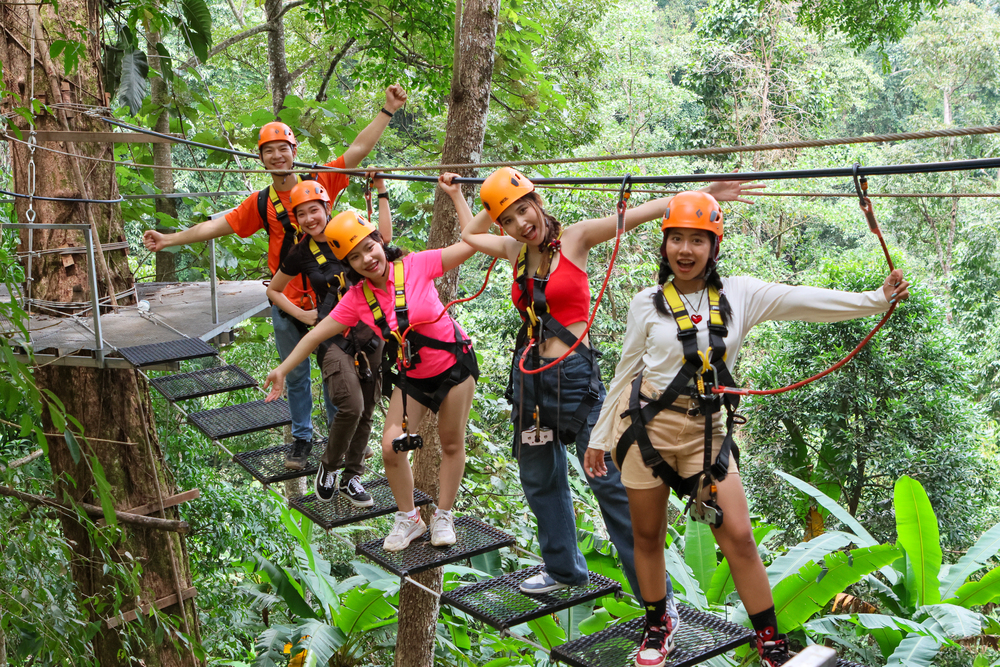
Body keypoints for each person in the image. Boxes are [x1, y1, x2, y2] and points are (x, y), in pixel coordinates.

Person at [583, 190, 910, 667]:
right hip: (647, 431)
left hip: (707, 434)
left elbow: (803, 300)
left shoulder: (739, 294)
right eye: (677, 239)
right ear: (665, 245)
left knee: (737, 535)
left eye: (698, 240)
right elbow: (625, 369)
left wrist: (874, 300)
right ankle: (658, 627)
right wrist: (598, 436)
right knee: (648, 536)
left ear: (714, 247)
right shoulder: (645, 304)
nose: (686, 250)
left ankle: (771, 642)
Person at [460, 168, 759, 612]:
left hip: (575, 377)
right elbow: (468, 233)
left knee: (612, 483)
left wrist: (698, 196)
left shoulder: (576, 239)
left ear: (538, 203)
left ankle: (657, 601)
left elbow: (634, 217)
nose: (523, 223)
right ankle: (562, 568)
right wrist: (464, 199)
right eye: (510, 219)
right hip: (530, 378)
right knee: (538, 477)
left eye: (525, 209)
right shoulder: (514, 251)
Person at [142, 85, 408, 467]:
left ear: (293, 152)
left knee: (341, 374)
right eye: (270, 151)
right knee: (296, 376)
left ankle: (343, 441)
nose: (278, 155)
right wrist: (169, 239)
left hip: (333, 305)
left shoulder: (320, 183)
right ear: (263, 159)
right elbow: (217, 227)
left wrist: (386, 111)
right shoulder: (262, 202)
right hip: (289, 301)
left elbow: (356, 152)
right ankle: (302, 440)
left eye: (283, 148)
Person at [264, 173, 480, 551]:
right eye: (356, 256)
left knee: (449, 443)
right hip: (413, 374)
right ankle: (409, 518)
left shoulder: (417, 265)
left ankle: (443, 517)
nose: (368, 258)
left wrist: (458, 196)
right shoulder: (357, 299)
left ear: (380, 242)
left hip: (454, 364)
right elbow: (315, 335)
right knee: (389, 446)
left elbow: (471, 243)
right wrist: (282, 369)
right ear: (347, 263)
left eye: (370, 247)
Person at [265, 177, 391, 503]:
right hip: (332, 335)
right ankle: (330, 467)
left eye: (314, 210)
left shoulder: (347, 232)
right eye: (302, 214)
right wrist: (304, 315)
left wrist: (382, 192)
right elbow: (273, 290)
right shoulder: (300, 253)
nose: (309, 219)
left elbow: (384, 240)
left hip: (370, 334)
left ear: (327, 208)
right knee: (351, 406)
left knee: (367, 411)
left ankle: (352, 478)